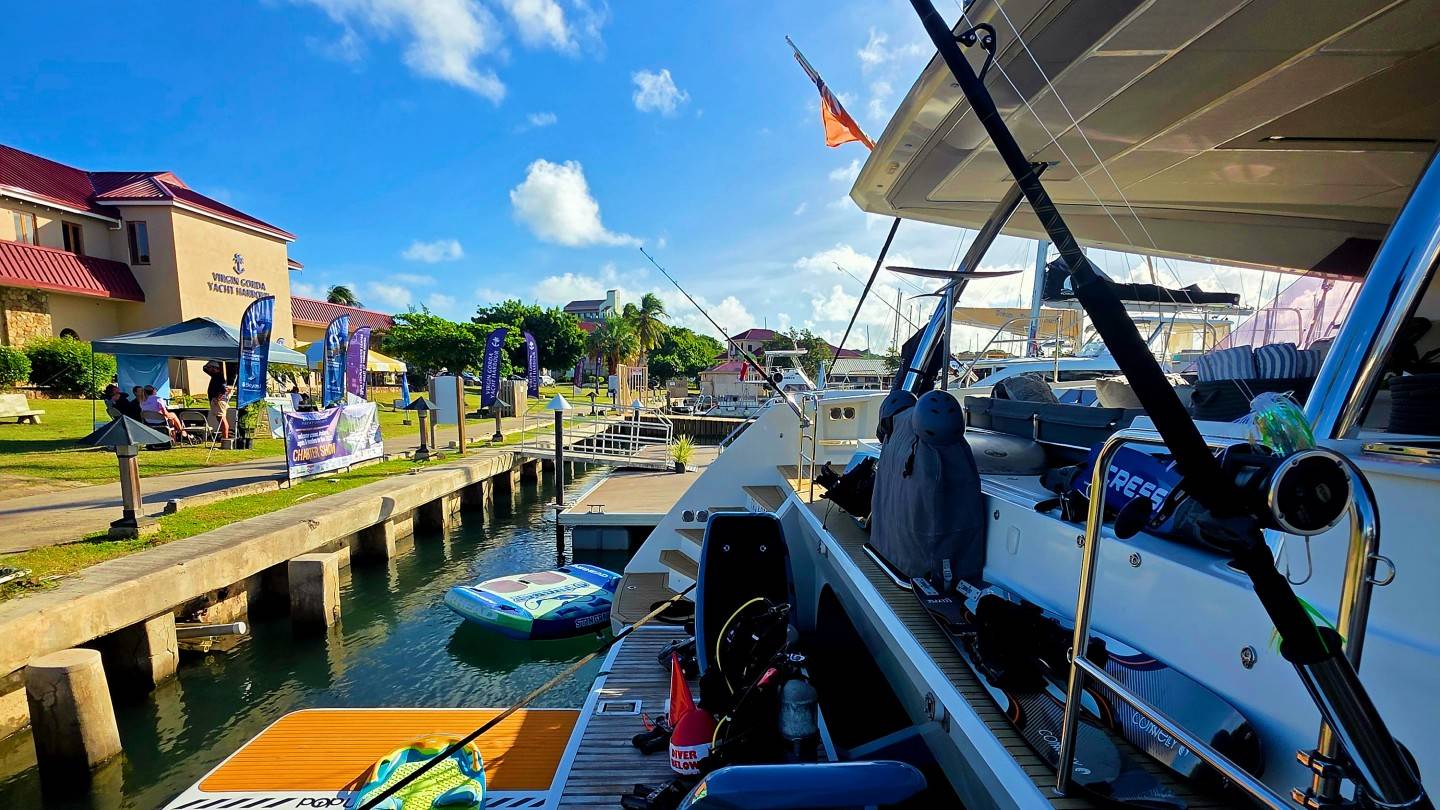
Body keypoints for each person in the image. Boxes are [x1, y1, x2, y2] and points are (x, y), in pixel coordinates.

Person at [204, 361, 231, 440]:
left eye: (210, 368)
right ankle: (224, 437)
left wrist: (218, 398)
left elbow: (223, 390)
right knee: (220, 419)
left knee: (222, 419)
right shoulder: (215, 375)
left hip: (218, 401)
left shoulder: (219, 377)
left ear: (215, 368)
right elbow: (204, 368)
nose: (209, 370)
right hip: (216, 400)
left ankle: (225, 439)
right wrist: (212, 361)